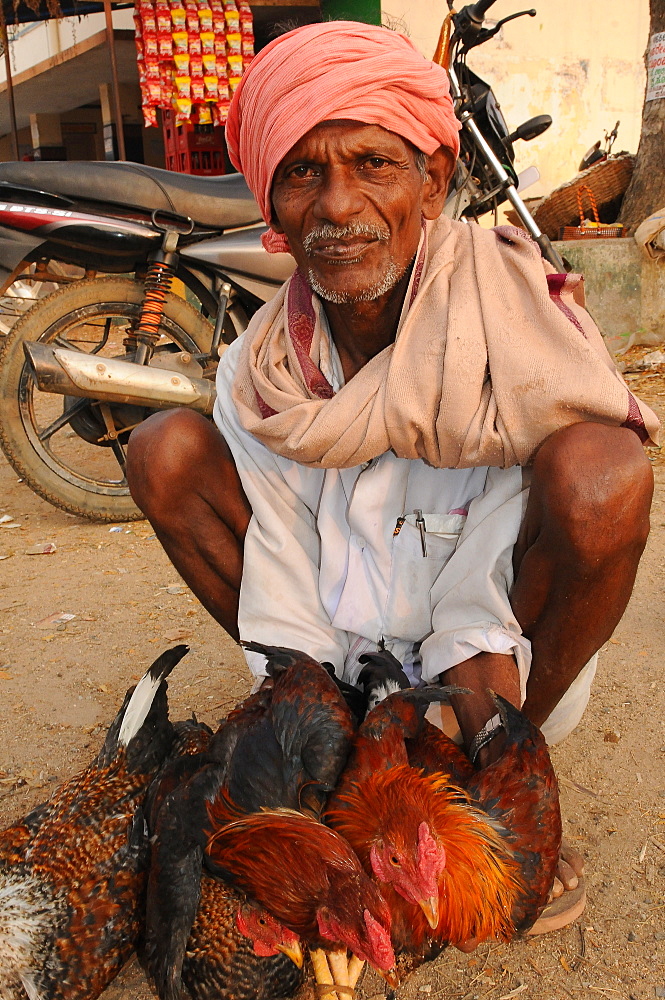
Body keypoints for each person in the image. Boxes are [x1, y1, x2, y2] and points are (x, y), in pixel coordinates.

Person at [126, 21, 659, 934]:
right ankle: (333, 733)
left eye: (373, 164)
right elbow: (283, 552)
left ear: (432, 181)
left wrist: (461, 741)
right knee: (162, 448)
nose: (338, 205)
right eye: (302, 173)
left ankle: (512, 769)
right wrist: (315, 728)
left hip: (493, 640)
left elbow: (498, 536)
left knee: (602, 473)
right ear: (272, 206)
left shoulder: (508, 321)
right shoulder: (263, 371)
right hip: (342, 639)